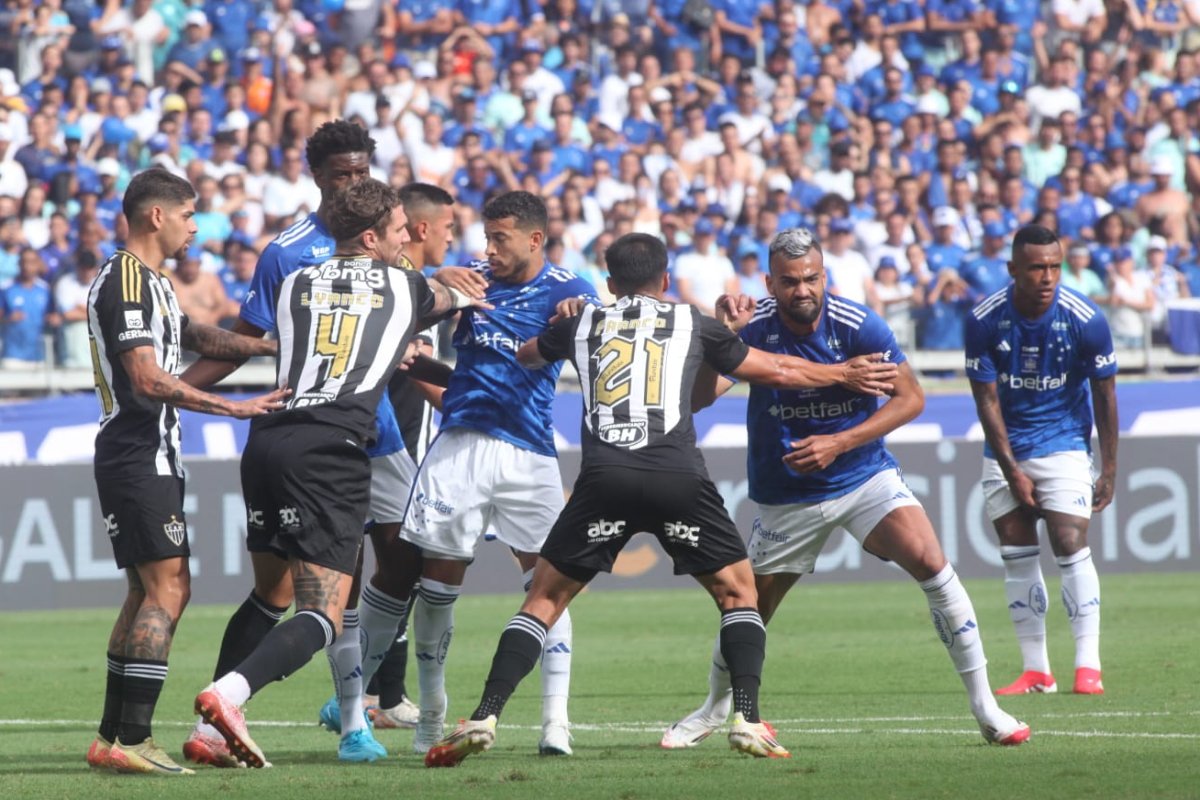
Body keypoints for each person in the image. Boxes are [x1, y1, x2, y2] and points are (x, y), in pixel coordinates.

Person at [421, 232, 901, 767]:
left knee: (543, 601)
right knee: (740, 596)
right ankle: (745, 719)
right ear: (666, 282)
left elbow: (529, 355)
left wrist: (564, 319)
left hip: (604, 478)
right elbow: (778, 370)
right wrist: (842, 372)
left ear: (609, 284)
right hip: (677, 476)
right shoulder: (694, 322)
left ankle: (486, 714)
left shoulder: (582, 322)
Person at [659, 227, 1032, 751]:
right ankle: (714, 709)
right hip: (785, 493)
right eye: (789, 282)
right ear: (770, 282)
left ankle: (985, 706)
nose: (802, 290)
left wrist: (840, 442)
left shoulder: (859, 325)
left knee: (932, 562)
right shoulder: (755, 328)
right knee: (748, 608)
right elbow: (698, 399)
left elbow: (910, 399)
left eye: (811, 278)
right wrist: (726, 338)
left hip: (862, 476)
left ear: (824, 276)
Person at [193, 177, 488, 770]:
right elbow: (457, 300)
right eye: (401, 231)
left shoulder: (297, 279)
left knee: (271, 593)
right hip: (332, 448)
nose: (407, 240)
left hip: (270, 440)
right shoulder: (403, 285)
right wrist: (466, 290)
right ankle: (228, 695)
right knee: (323, 614)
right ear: (373, 236)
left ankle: (224, 730)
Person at [178, 120, 426, 766]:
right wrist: (175, 391)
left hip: (371, 431)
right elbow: (246, 341)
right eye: (342, 173)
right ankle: (344, 721)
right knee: (304, 595)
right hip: (329, 435)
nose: (354, 182)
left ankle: (367, 704)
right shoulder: (288, 254)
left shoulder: (380, 243)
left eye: (362, 172)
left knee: (400, 560)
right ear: (316, 176)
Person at [367, 191, 599, 758]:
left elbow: (606, 354)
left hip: (530, 455)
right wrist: (430, 279)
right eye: (486, 237)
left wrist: (583, 322)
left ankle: (555, 725)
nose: (488, 250)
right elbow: (392, 295)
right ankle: (432, 713)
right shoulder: (469, 278)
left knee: (550, 587)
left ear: (535, 240)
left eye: (501, 239)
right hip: (459, 451)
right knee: (437, 590)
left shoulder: (572, 292)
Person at [84, 167, 287, 776]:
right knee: (170, 589)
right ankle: (135, 739)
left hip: (148, 453)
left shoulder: (153, 282)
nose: (196, 228)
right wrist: (236, 407)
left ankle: (110, 737)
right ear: (156, 215)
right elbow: (146, 377)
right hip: (136, 450)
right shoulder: (123, 280)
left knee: (147, 590)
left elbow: (196, 336)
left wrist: (274, 346)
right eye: (189, 216)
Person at [316, 182, 459, 736]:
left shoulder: (415, 288)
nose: (451, 237)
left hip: (397, 451)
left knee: (399, 570)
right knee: (352, 580)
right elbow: (406, 370)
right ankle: (361, 697)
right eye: (445, 227)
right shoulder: (398, 291)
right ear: (419, 229)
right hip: (373, 448)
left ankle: (375, 695)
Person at [965, 224, 1118, 697]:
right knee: (1015, 547)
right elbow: (986, 400)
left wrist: (1108, 466)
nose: (1047, 276)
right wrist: (1011, 468)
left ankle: (1087, 665)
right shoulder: (984, 320)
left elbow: (1105, 396)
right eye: (1036, 267)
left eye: (1054, 266)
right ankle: (1037, 671)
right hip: (1006, 446)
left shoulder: (1085, 318)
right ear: (1014, 269)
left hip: (1065, 442)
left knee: (1069, 538)